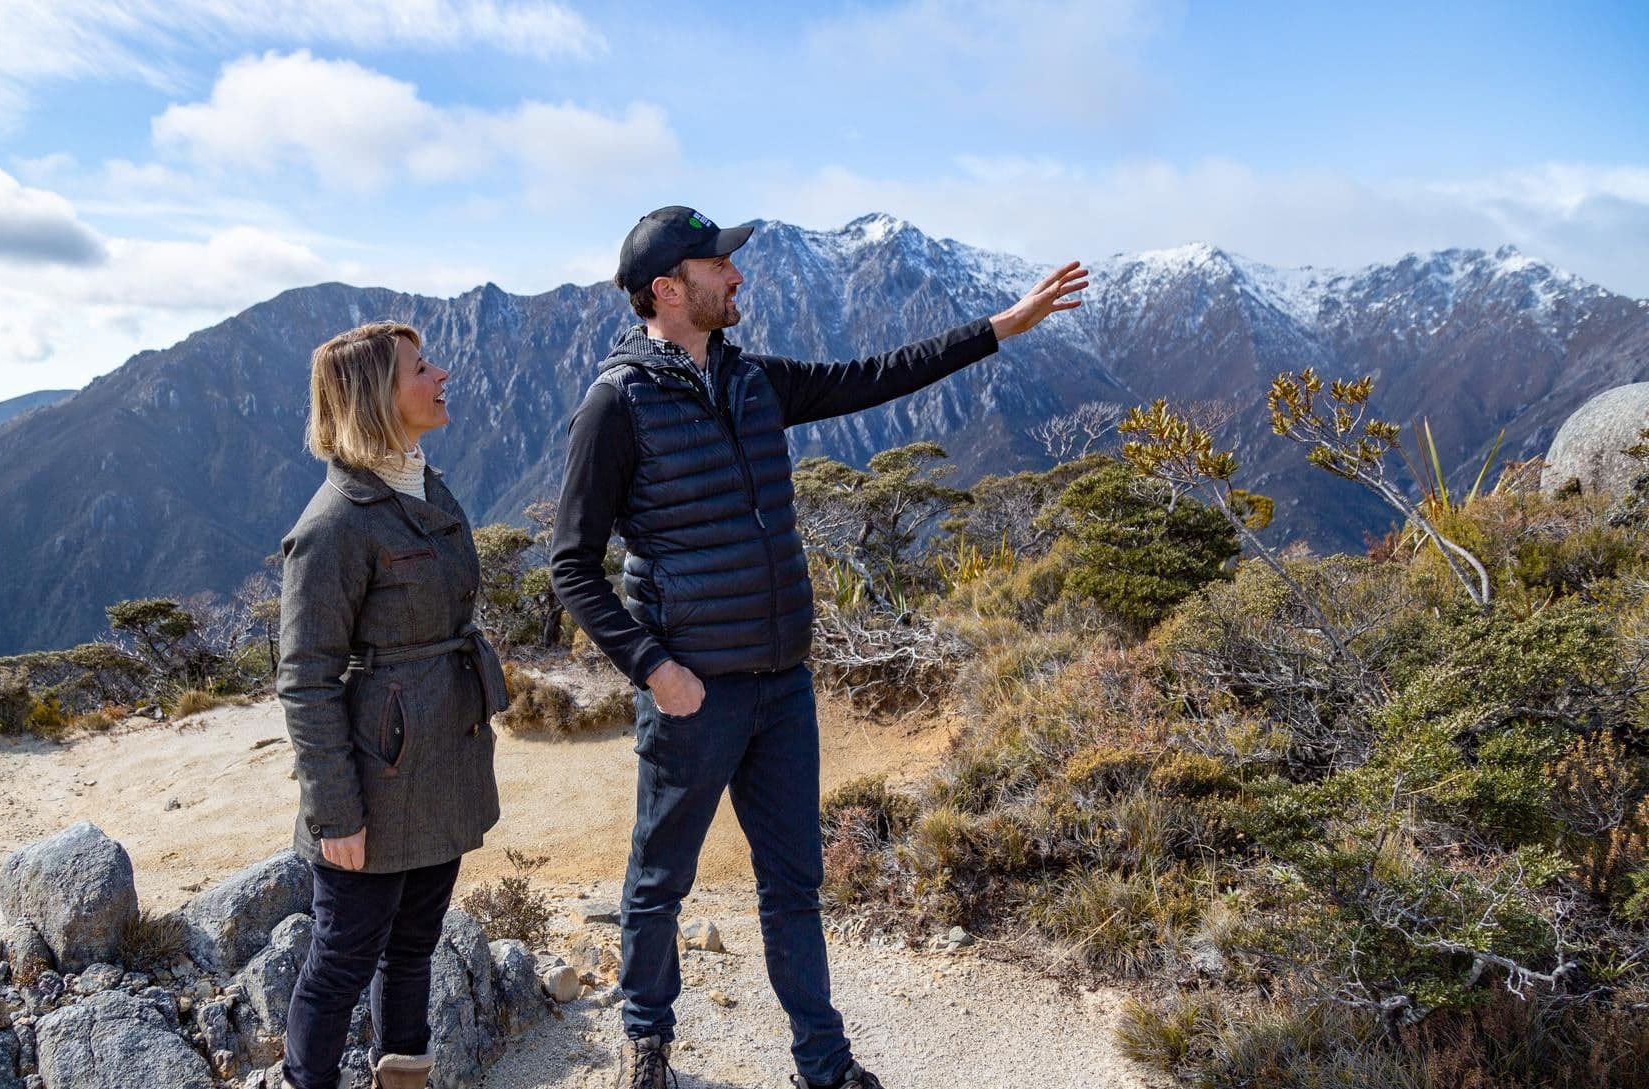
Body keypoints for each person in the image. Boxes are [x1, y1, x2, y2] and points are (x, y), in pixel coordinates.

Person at [549, 207, 1088, 1089]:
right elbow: (572, 566)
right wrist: (656, 668)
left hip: (781, 688)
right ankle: (647, 1045)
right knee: (659, 882)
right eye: (718, 264)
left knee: (794, 886)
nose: (737, 275)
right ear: (666, 289)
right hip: (694, 694)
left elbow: (876, 376)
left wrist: (1004, 327)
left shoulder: (754, 379)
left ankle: (823, 1064)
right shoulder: (616, 404)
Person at [276, 321, 508, 1089]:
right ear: (379, 395)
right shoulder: (333, 526)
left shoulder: (418, 482)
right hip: (376, 781)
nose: (442, 373)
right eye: (421, 367)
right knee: (340, 961)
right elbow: (305, 678)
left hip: (439, 762)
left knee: (414, 945)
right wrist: (335, 812)